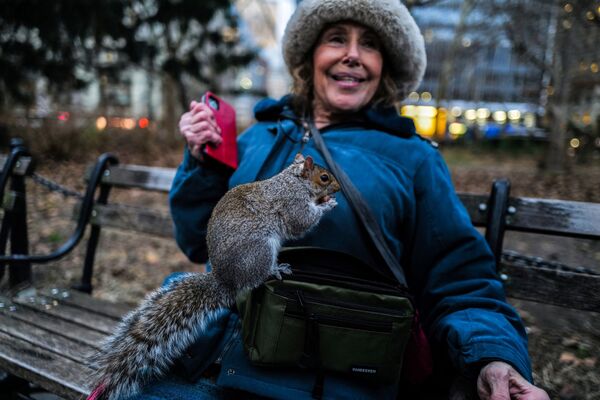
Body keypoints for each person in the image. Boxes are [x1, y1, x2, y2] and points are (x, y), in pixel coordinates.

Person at [145, 0, 551, 399]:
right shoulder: (258, 136)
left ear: (385, 68)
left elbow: (462, 279)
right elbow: (198, 241)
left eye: (370, 44)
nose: (353, 55)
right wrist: (201, 165)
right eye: (337, 39)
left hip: (324, 376)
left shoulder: (412, 158)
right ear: (311, 57)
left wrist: (494, 356)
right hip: (205, 358)